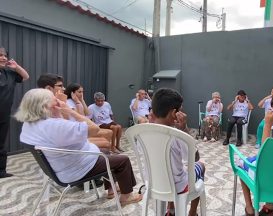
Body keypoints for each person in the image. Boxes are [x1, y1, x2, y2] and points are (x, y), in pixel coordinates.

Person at [15, 88, 142, 205]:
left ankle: (111, 189)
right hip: (78, 168)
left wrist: (58, 113)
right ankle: (127, 196)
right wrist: (70, 111)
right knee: (123, 160)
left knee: (105, 151)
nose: (59, 102)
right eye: (55, 100)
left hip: (59, 167)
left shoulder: (28, 125)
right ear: (47, 106)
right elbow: (94, 129)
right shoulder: (56, 126)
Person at [151, 88, 205, 216]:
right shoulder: (177, 135)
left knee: (170, 168)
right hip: (177, 186)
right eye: (180, 109)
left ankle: (171, 209)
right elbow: (195, 158)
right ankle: (192, 212)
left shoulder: (141, 133)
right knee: (201, 165)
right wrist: (184, 129)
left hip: (153, 183)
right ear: (174, 113)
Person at [0, 46, 29, 178]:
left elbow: (25, 76)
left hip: (3, 115)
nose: (4, 57)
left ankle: (1, 171)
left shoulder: (9, 73)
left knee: (1, 143)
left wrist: (16, 67)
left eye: (5, 55)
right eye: (0, 55)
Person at [64, 83, 117, 153]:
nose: (81, 94)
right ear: (72, 93)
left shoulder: (78, 101)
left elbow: (87, 113)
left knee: (109, 132)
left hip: (82, 128)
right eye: (79, 92)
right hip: (78, 131)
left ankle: (105, 151)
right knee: (107, 137)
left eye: (82, 92)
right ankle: (101, 152)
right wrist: (78, 102)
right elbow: (80, 116)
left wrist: (82, 100)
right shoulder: (69, 102)